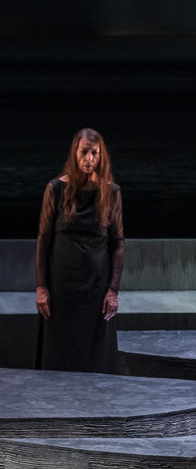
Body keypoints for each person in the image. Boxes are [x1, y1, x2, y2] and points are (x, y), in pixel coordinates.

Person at [35, 127, 125, 373]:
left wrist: (113, 290)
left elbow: (118, 243)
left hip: (96, 287)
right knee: (59, 354)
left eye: (94, 153)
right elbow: (43, 239)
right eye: (84, 152)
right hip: (62, 287)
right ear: (75, 153)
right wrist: (41, 287)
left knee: (96, 357)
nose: (89, 159)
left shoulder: (111, 192)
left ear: (101, 156)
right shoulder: (56, 189)